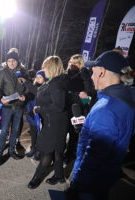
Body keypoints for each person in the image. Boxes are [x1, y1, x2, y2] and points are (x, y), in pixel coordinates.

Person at [66, 51, 135, 200]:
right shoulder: (126, 99)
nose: (91, 76)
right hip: (107, 175)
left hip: (90, 181)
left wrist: (77, 185)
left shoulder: (106, 108)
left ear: (102, 72)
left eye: (93, 72)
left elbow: (94, 157)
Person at [27, 56, 69, 189]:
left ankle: (36, 178)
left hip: (54, 125)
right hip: (56, 122)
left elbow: (58, 106)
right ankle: (59, 175)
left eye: (45, 67)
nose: (43, 69)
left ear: (51, 68)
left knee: (47, 152)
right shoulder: (55, 81)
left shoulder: (56, 84)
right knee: (57, 151)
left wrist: (40, 108)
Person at [0, 50, 27, 166]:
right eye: (9, 61)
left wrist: (25, 96)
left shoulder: (23, 72)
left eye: (13, 60)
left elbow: (28, 87)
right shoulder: (2, 72)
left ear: (17, 61)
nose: (11, 63)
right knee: (4, 131)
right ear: (6, 62)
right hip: (7, 106)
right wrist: (0, 98)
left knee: (15, 130)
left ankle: (11, 151)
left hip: (19, 106)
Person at [65, 54, 96, 164]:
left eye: (76, 63)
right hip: (66, 106)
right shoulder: (66, 73)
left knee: (74, 132)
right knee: (65, 130)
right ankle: (67, 152)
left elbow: (89, 94)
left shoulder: (84, 74)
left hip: (78, 107)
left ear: (81, 64)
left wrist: (85, 97)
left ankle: (69, 154)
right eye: (71, 62)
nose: (73, 65)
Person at [22, 70, 48, 160]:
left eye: (40, 77)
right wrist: (24, 97)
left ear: (45, 78)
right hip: (32, 115)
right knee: (33, 133)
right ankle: (33, 148)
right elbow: (29, 95)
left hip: (41, 115)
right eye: (37, 77)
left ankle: (39, 151)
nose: (38, 79)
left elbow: (37, 93)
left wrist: (26, 82)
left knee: (40, 134)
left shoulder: (46, 88)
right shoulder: (34, 86)